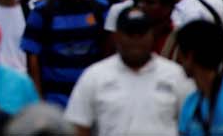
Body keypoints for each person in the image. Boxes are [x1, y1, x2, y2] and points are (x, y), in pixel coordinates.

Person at [64, 7, 192, 136]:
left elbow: (191, 125)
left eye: (141, 34)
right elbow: (79, 126)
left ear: (152, 35)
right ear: (117, 36)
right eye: (130, 34)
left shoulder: (176, 75)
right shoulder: (94, 76)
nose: (136, 40)